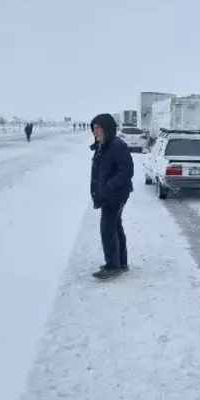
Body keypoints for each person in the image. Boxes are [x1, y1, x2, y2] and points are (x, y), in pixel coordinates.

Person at [90, 113, 134, 279]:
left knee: (108, 229)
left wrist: (110, 186)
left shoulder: (117, 145)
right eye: (94, 129)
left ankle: (113, 266)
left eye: (99, 128)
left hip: (115, 195)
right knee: (115, 227)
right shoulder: (104, 145)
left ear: (107, 128)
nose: (96, 132)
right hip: (111, 194)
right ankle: (121, 262)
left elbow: (127, 171)